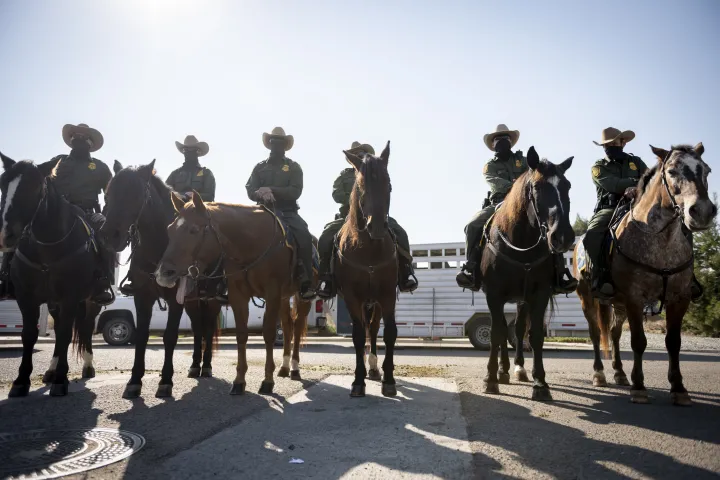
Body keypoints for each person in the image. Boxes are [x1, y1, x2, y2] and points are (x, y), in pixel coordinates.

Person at [456, 124, 577, 294]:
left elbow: (536, 176)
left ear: (511, 142)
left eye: (505, 139)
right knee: (473, 225)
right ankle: (471, 268)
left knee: (548, 224)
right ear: (492, 144)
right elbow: (494, 182)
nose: (502, 142)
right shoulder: (489, 166)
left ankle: (560, 271)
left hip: (525, 204)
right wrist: (515, 188)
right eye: (498, 139)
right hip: (499, 204)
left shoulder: (524, 161)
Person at [0, 123, 114, 304]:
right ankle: (6, 277)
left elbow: (111, 194)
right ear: (70, 140)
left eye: (83, 137)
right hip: (55, 210)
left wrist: (105, 213)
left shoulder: (100, 167)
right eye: (75, 136)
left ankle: (103, 281)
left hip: (86, 212)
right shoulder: (58, 160)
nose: (79, 139)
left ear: (90, 143)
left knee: (103, 233)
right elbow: (38, 179)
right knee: (21, 228)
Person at [584, 127, 702, 300]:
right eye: (608, 144)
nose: (613, 146)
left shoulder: (636, 161)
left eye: (616, 142)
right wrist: (634, 184)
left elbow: (653, 180)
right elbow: (612, 184)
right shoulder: (598, 166)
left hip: (640, 204)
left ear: (623, 143)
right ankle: (600, 277)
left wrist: (637, 187)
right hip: (610, 208)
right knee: (591, 236)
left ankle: (689, 277)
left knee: (682, 225)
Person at [315, 141, 418, 298]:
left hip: (374, 215)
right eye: (356, 154)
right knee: (326, 236)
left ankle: (406, 273)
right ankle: (326, 278)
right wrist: (355, 200)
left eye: (362, 153)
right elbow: (336, 194)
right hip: (347, 217)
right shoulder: (344, 175)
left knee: (400, 232)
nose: (359, 156)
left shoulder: (376, 171)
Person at [119, 134, 217, 297]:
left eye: (192, 150)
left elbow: (210, 195)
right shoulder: (175, 174)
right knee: (142, 231)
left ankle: (211, 283)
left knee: (212, 237)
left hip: (198, 214)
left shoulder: (206, 174)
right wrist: (178, 195)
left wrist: (192, 196)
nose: (188, 153)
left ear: (197, 152)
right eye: (186, 150)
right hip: (176, 213)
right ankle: (134, 275)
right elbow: (165, 193)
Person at [245, 127, 316, 300]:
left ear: (285, 146)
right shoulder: (259, 167)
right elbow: (250, 188)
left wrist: (272, 190)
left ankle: (305, 279)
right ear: (269, 144)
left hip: (287, 211)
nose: (276, 145)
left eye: (280, 142)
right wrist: (258, 193)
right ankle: (229, 282)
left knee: (304, 236)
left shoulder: (293, 167)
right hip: (262, 211)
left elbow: (295, 191)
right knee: (236, 235)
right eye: (273, 142)